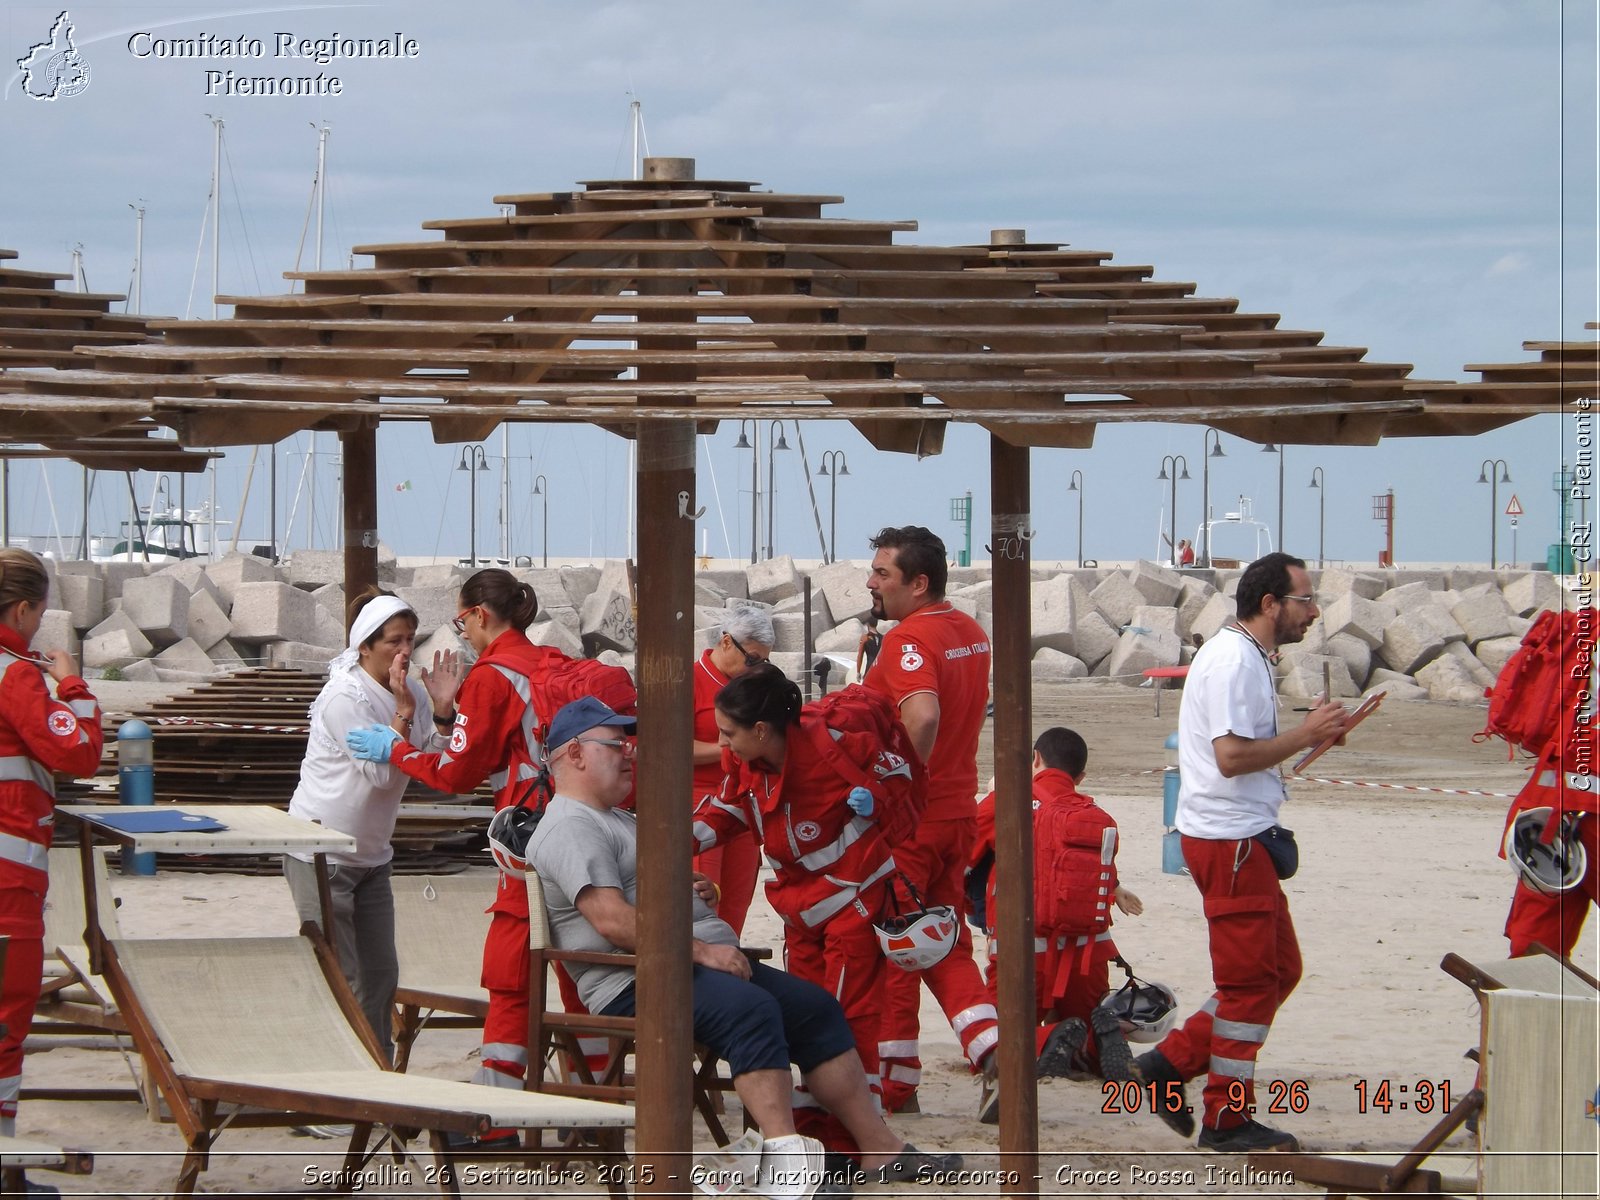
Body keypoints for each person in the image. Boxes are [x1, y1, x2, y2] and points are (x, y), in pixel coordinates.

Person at [528, 696, 957, 1196]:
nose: (630, 754)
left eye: (629, 744)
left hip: (676, 964)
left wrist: (692, 891)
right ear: (575, 754)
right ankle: (786, 1166)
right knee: (750, 1012)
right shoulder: (571, 825)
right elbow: (611, 919)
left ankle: (878, 1148)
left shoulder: (616, 818)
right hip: (632, 977)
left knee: (814, 1009)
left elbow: (642, 889)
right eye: (616, 744)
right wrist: (704, 950)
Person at [1136, 552, 1349, 1154]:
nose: (1313, 611)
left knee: (1277, 971)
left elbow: (1244, 756)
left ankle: (1169, 1065)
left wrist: (1309, 741)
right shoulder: (1234, 659)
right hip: (1229, 842)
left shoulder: (1245, 656)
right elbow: (1230, 758)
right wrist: (1305, 735)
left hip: (1237, 837)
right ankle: (1226, 1119)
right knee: (1251, 984)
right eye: (1305, 600)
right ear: (1270, 604)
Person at [346, 568, 564, 1108]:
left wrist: (395, 749)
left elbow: (456, 774)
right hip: (580, 830)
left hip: (530, 842)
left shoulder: (493, 676)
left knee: (511, 972)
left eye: (461, 618)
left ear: (480, 615)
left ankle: (500, 1108)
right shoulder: (545, 664)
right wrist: (445, 713)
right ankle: (597, 1098)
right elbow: (490, 752)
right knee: (580, 968)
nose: (460, 631)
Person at [698, 664, 908, 1152]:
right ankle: (818, 1126)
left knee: (845, 1015)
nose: (722, 744)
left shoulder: (836, 746)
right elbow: (728, 810)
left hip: (854, 897)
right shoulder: (745, 764)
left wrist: (873, 800)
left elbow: (900, 776)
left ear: (761, 730)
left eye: (729, 733)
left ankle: (847, 1140)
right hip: (800, 908)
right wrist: (672, 840)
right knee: (813, 1010)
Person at [284, 588, 463, 1064]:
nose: (405, 651)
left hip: (371, 856)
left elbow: (438, 765)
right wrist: (406, 712)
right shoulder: (345, 698)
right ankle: (331, 1087)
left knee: (381, 975)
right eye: (394, 642)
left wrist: (442, 711)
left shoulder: (411, 694)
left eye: (411, 640)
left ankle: (375, 1080)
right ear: (365, 645)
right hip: (321, 853)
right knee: (338, 976)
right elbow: (384, 772)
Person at [861, 525, 998, 1118]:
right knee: (942, 940)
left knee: (898, 947)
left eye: (883, 573)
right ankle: (989, 1048)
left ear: (918, 584)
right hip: (958, 815)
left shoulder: (909, 642)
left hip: (913, 824)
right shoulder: (969, 631)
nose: (871, 582)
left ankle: (899, 1081)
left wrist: (893, 787)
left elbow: (923, 715)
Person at [0, 549, 103, 1191]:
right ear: (23, 609)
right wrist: (73, 684)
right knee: (5, 1027)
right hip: (7, 883)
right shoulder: (16, 674)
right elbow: (80, 750)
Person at [969, 727, 1141, 1092]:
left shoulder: (1006, 800)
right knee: (1085, 1033)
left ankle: (1048, 1038)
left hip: (1024, 956)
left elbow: (963, 858)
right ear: (1079, 778)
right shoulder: (1093, 813)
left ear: (1034, 760)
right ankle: (1095, 1043)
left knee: (992, 1045)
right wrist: (1117, 889)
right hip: (1088, 955)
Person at [691, 608, 774, 938]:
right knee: (703, 908)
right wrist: (733, 748)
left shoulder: (750, 686)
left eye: (762, 662)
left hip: (742, 806)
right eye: (752, 659)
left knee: (736, 909)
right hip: (699, 803)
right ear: (727, 642)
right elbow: (669, 747)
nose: (756, 668)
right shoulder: (690, 680)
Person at [855, 616, 882, 681]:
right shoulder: (883, 638)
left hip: (870, 668)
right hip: (881, 669)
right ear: (877, 624)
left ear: (867, 624)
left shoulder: (865, 638)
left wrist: (858, 672)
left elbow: (860, 656)